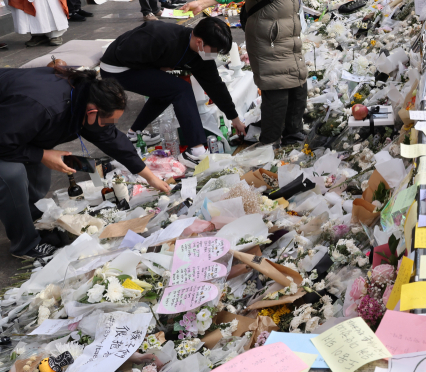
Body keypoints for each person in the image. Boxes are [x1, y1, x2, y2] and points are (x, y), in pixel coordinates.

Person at [0, 66, 170, 260]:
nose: (109, 127)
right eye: (107, 121)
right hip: (5, 130)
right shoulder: (43, 106)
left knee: (37, 168)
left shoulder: (85, 95)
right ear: (92, 112)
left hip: (11, 125)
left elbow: (111, 138)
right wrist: (41, 154)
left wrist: (150, 177)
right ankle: (25, 245)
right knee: (11, 174)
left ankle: (28, 217)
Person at [100, 18, 246, 168]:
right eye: (215, 50)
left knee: (168, 89)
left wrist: (234, 118)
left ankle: (133, 134)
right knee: (180, 88)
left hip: (139, 66)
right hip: (117, 67)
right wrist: (155, 68)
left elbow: (215, 86)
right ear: (199, 42)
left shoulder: (202, 56)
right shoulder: (161, 36)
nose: (215, 55)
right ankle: (195, 152)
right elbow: (123, 51)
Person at [181, 0, 308, 146]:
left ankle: (293, 135)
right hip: (271, 35)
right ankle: (270, 145)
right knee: (277, 87)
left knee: (298, 85)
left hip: (289, 31)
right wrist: (205, 3)